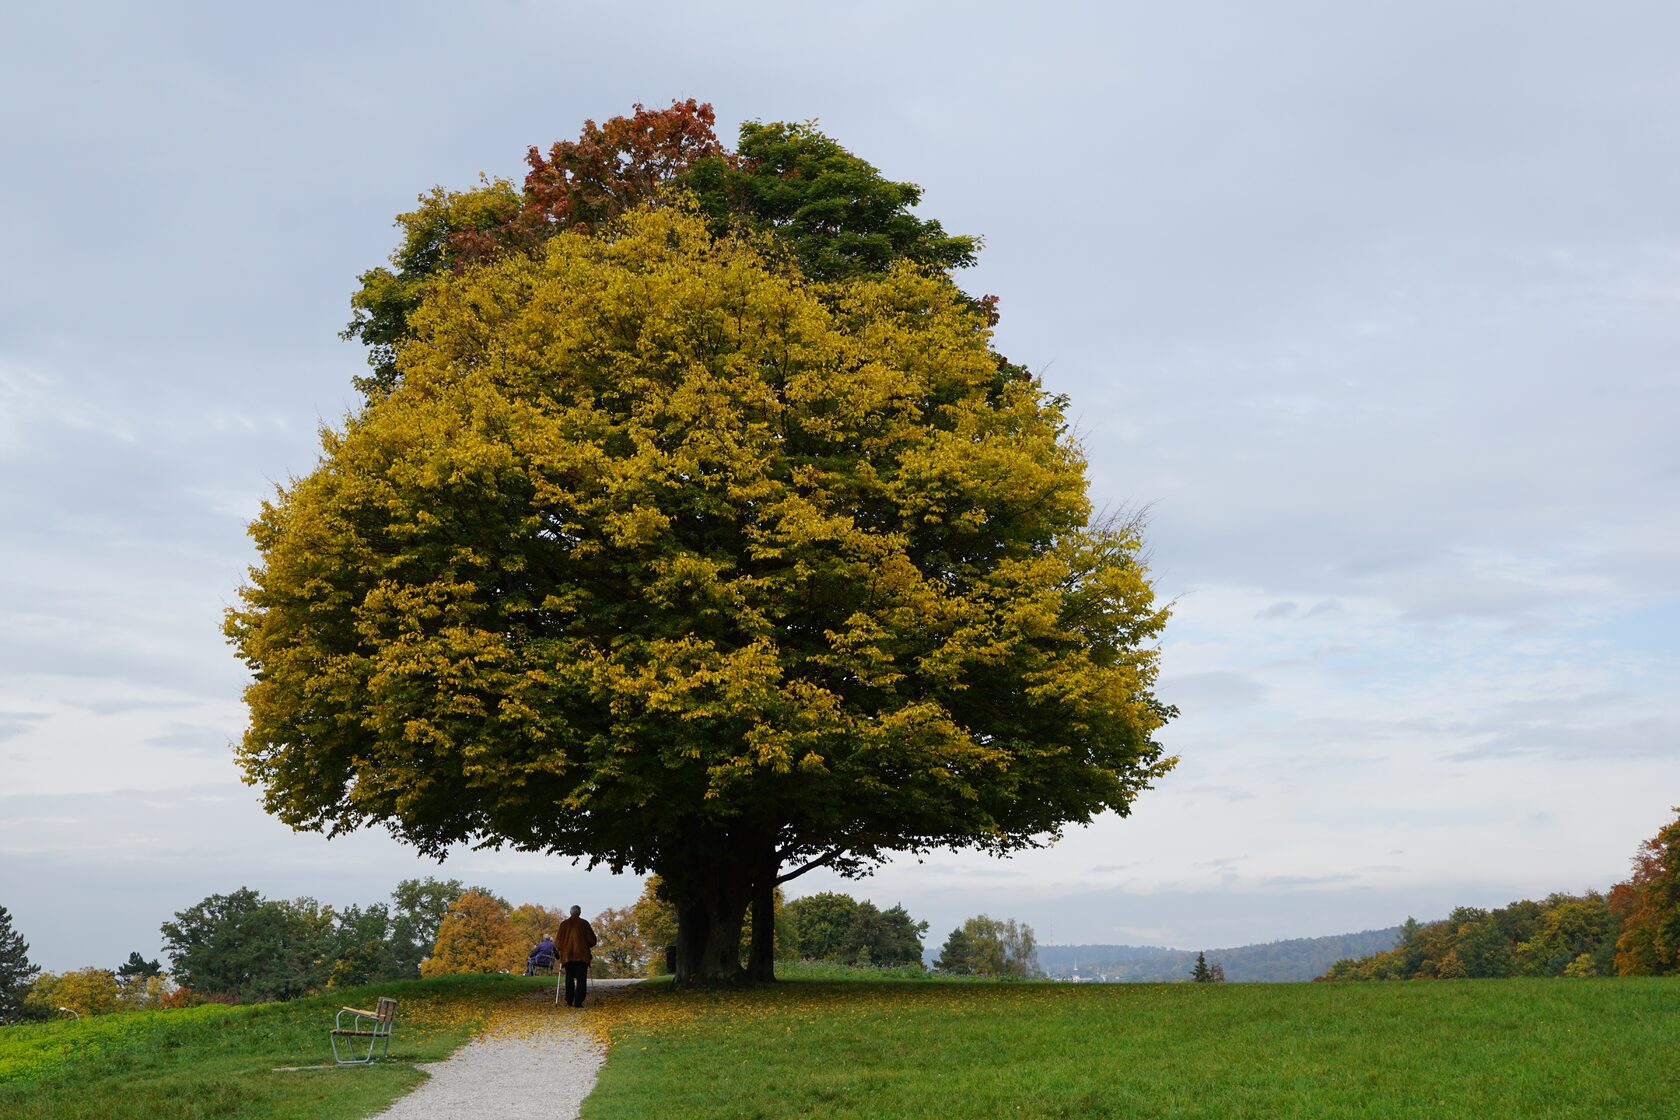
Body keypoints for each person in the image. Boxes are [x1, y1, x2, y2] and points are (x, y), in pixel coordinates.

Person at [556, 905, 598, 1008]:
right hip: (582, 956)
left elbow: (557, 943)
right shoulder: (584, 924)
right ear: (579, 912)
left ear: (571, 913)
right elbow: (592, 940)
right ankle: (578, 1002)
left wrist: (563, 949)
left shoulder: (564, 924)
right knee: (581, 979)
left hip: (568, 956)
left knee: (569, 978)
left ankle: (569, 1000)